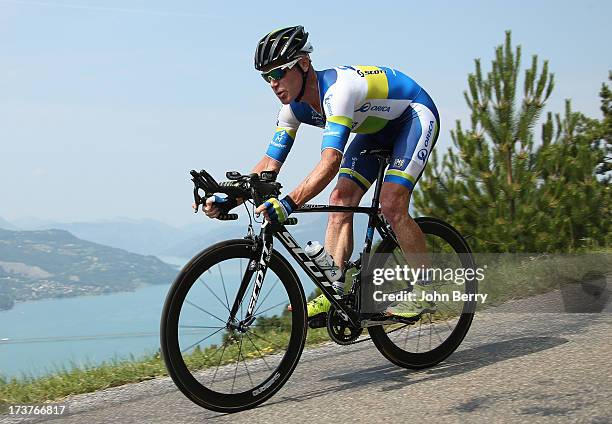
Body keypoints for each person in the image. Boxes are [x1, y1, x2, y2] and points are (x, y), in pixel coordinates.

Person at [202, 25, 440, 321]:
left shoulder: (338, 91)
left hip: (412, 116)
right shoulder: (292, 109)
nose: (273, 84)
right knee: (340, 199)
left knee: (391, 203)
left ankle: (426, 289)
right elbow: (268, 165)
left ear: (303, 64)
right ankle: (334, 292)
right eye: (266, 77)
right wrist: (230, 196)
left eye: (278, 73)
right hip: (375, 130)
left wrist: (288, 203)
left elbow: (329, 163)